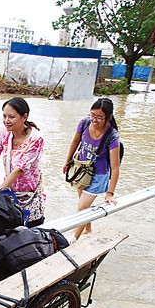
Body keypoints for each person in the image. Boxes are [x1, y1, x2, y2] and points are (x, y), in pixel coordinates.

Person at [0, 97, 46, 227]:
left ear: (24, 117)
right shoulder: (4, 134)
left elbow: (18, 170)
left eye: (11, 117)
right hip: (9, 195)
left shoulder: (35, 140)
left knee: (30, 237)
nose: (6, 121)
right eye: (4, 116)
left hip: (30, 198)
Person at [62, 97, 121, 239]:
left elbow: (115, 167)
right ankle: (88, 231)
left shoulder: (112, 137)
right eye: (92, 115)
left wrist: (110, 193)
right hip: (81, 170)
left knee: (82, 208)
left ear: (108, 117)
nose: (95, 120)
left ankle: (73, 239)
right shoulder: (84, 123)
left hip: (98, 175)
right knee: (85, 207)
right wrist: (67, 161)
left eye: (99, 118)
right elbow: (75, 141)